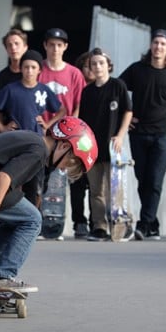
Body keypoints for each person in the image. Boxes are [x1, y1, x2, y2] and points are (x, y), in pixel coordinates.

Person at [0, 117, 97, 292]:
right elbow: (4, 177)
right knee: (33, 220)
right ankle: (3, 277)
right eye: (70, 162)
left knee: (20, 221)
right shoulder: (38, 151)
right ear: (63, 145)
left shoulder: (30, 138)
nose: (63, 169)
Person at [118, 29, 166, 240]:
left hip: (162, 134)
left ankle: (144, 223)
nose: (158, 47)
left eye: (163, 44)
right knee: (143, 180)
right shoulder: (137, 69)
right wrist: (127, 118)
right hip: (138, 133)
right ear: (151, 46)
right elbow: (118, 90)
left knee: (155, 180)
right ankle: (153, 223)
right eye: (156, 43)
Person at [0, 50, 63, 208]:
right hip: (15, 142)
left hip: (36, 143)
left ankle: (32, 219)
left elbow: (62, 111)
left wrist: (48, 124)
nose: (29, 71)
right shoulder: (11, 89)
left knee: (34, 185)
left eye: (33, 67)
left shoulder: (44, 90)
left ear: (40, 70)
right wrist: (2, 127)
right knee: (11, 179)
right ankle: (8, 218)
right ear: (20, 68)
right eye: (26, 67)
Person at [78, 48, 132, 241]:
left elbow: (127, 111)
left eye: (101, 63)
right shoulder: (87, 92)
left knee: (115, 188)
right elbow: (82, 121)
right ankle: (99, 226)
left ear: (108, 65)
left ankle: (121, 224)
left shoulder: (118, 86)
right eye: (94, 64)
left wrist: (120, 135)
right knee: (96, 190)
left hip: (113, 146)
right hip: (93, 148)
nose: (97, 67)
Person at [39, 27, 87, 237]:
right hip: (43, 133)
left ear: (65, 47)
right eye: (51, 45)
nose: (55, 49)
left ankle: (72, 222)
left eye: (59, 45)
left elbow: (78, 104)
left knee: (65, 180)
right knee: (40, 178)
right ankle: (38, 221)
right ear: (45, 46)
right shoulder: (38, 70)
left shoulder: (74, 74)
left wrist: (72, 131)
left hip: (65, 136)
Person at [71, 50, 95, 238]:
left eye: (95, 64)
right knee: (77, 182)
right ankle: (79, 221)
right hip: (78, 139)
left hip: (97, 140)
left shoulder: (106, 87)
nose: (92, 69)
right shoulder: (77, 88)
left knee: (96, 185)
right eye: (87, 65)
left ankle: (97, 221)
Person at [0, 28, 29, 136]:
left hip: (32, 131)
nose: (13, 48)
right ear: (6, 49)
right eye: (9, 45)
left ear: (25, 47)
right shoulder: (2, 77)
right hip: (10, 133)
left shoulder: (34, 73)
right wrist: (1, 128)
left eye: (17, 44)